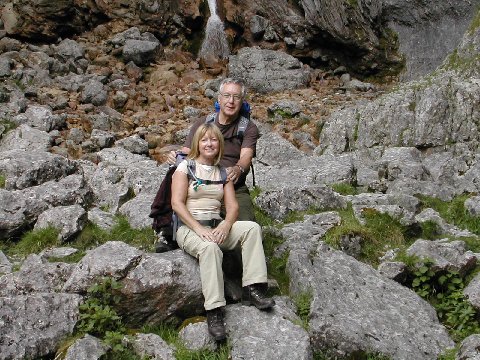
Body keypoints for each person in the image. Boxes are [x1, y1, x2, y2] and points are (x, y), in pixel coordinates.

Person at [171, 122, 274, 341]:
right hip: (190, 227)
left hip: (216, 225)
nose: (209, 144)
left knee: (251, 229)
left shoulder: (222, 173)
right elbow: (177, 204)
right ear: (198, 143)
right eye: (205, 139)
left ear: (220, 144)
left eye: (214, 139)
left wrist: (226, 225)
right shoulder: (185, 168)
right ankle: (214, 311)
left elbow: (233, 207)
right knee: (209, 249)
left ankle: (252, 288)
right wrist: (199, 229)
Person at [168, 77, 259, 222]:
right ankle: (165, 233)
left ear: (242, 101)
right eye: (227, 96)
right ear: (219, 98)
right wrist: (176, 156)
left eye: (236, 97)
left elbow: (246, 157)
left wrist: (238, 169)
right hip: (201, 184)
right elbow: (187, 152)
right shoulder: (202, 123)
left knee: (247, 224)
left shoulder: (248, 127)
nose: (231, 101)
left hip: (234, 186)